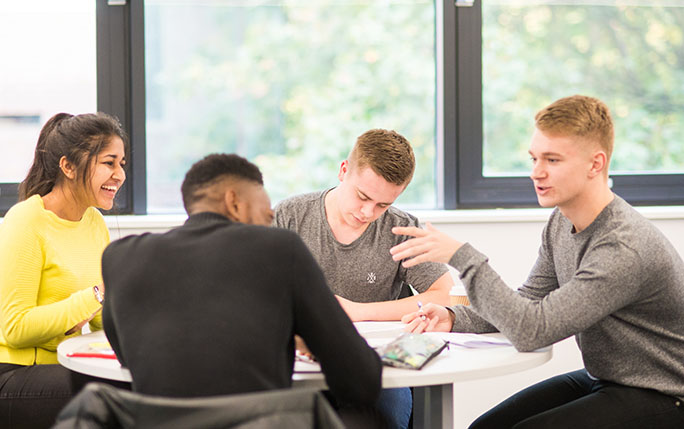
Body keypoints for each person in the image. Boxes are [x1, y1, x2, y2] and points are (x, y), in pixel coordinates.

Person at [392, 95, 684, 428]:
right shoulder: (561, 222)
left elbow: (533, 331)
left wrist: (463, 257)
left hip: (666, 394)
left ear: (595, 164)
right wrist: (452, 317)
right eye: (534, 158)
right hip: (610, 378)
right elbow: (527, 304)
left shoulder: (622, 247)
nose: (536, 172)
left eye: (552, 160)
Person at [101, 154, 384, 427]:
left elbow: (131, 357)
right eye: (266, 214)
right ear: (234, 202)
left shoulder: (119, 257)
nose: (268, 224)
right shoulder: (279, 248)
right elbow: (361, 381)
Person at [273, 128, 452, 428]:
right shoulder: (290, 216)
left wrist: (358, 312)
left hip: (375, 370)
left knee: (388, 413)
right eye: (363, 196)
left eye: (383, 205)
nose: (368, 212)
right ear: (344, 170)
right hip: (301, 368)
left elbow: (442, 294)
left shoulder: (401, 228)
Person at [0, 112, 128, 428]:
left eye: (122, 164)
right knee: (120, 397)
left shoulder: (94, 221)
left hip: (63, 361)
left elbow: (100, 319)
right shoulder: (26, 221)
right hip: (14, 371)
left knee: (152, 380)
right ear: (68, 167)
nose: (120, 175)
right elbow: (15, 328)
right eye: (109, 163)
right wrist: (95, 296)